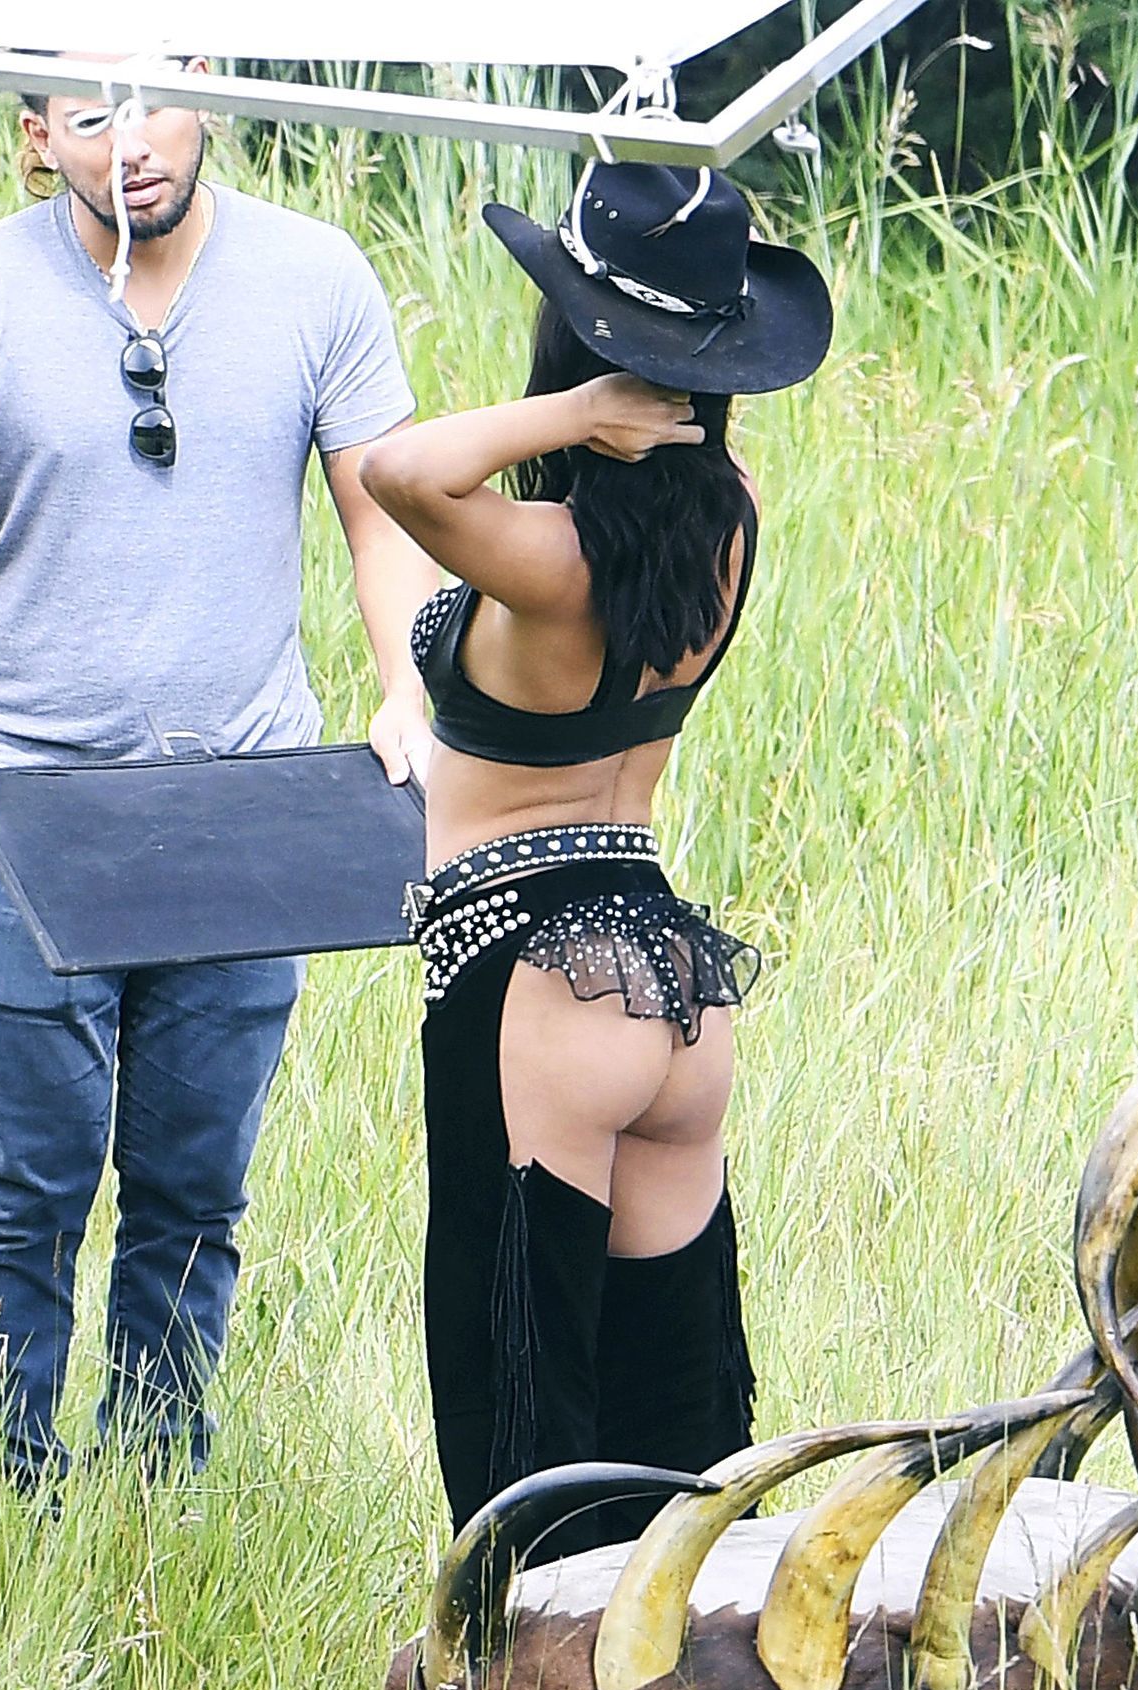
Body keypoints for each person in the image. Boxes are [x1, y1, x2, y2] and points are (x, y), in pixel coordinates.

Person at [0, 56, 437, 1493]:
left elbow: (383, 514)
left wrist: (408, 687)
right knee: (27, 1186)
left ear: (207, 99)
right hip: (31, 810)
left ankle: (156, 1489)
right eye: (91, 115)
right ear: (37, 132)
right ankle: (0, 1492)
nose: (132, 144)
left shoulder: (315, 279)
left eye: (158, 101)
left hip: (243, 809)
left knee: (193, 1192)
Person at [360, 162, 830, 1553]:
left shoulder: (552, 559)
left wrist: (575, 412)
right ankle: (701, 1659)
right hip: (669, 975)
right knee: (677, 1395)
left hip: (533, 973)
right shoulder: (727, 520)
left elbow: (398, 471)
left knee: (521, 1384)